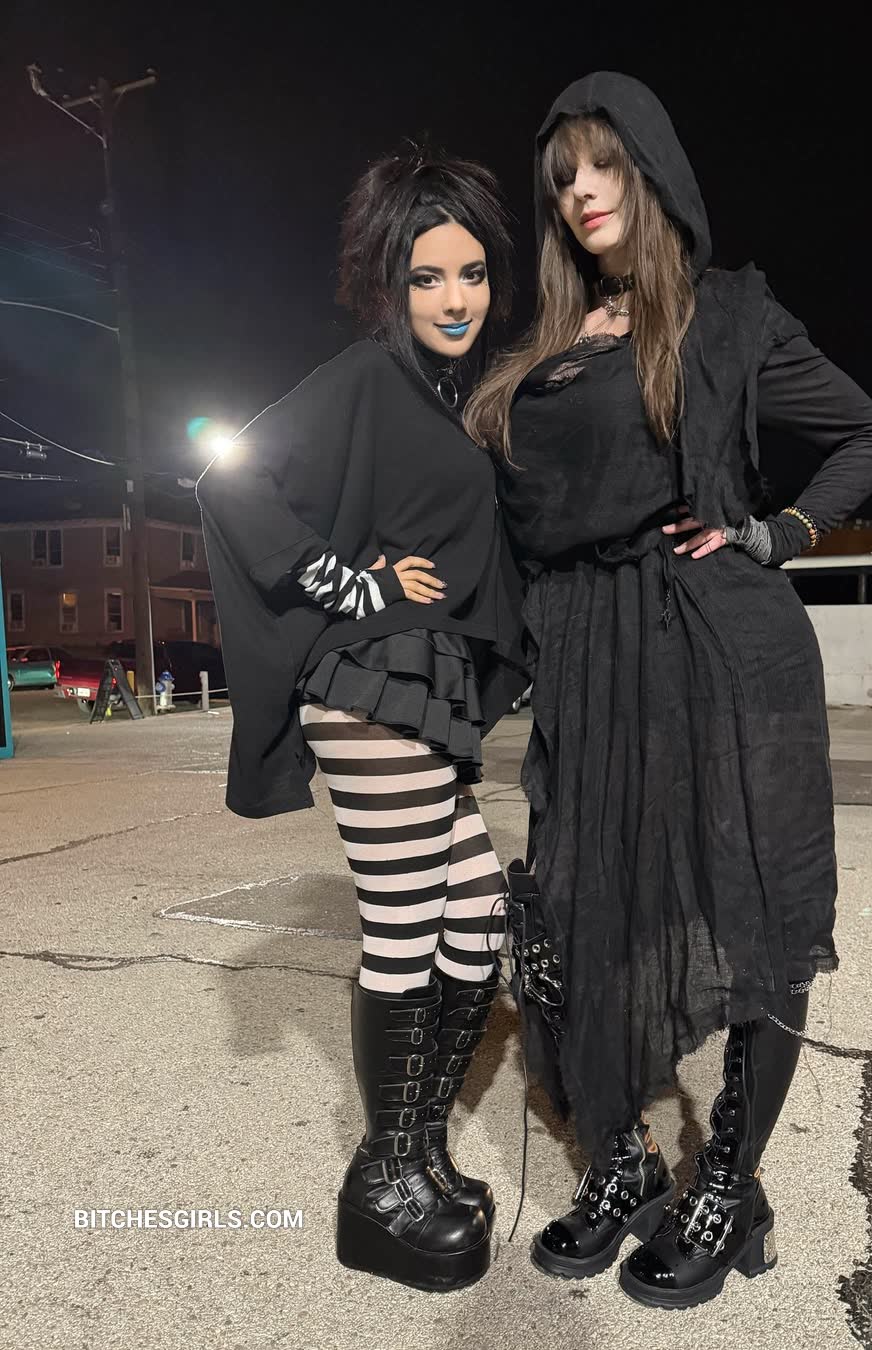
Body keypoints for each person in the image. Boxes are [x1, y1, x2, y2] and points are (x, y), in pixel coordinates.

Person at [465, 72, 872, 1310]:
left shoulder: (727, 316)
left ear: (652, 170)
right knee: (576, 914)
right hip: (588, 661)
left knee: (752, 907)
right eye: (562, 178)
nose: (582, 192)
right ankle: (622, 1159)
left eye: (604, 164)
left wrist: (780, 532)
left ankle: (728, 1181)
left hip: (719, 644)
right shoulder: (546, 350)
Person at [197, 149, 528, 1293]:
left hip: (418, 683)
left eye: (471, 274)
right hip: (371, 682)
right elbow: (231, 481)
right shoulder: (367, 376)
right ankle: (383, 1185)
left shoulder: (443, 397)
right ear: (389, 283)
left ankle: (417, 1153)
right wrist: (348, 582)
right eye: (427, 277)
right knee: (404, 927)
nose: (454, 298)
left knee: (475, 912)